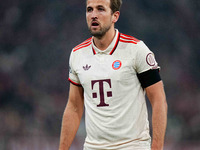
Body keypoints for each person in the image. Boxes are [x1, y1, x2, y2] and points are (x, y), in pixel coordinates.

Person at [59, 0, 168, 149]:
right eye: (89, 10)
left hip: (132, 145)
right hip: (93, 146)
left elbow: (158, 99)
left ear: (115, 16)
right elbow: (74, 106)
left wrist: (157, 147)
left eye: (100, 9)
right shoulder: (77, 54)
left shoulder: (136, 50)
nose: (93, 15)